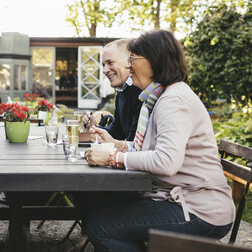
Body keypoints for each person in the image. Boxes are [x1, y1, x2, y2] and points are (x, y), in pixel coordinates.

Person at [83, 29, 235, 251]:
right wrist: (118, 145)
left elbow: (166, 161)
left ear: (154, 61)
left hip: (199, 210)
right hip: (179, 199)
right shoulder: (158, 96)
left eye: (133, 59)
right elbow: (148, 148)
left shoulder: (174, 100)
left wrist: (114, 157)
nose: (128, 66)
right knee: (99, 206)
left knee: (101, 226)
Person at [82, 39, 143, 141]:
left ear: (129, 61)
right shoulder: (122, 90)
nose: (105, 70)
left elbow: (133, 142)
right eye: (103, 65)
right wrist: (94, 127)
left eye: (110, 62)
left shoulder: (141, 91)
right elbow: (117, 131)